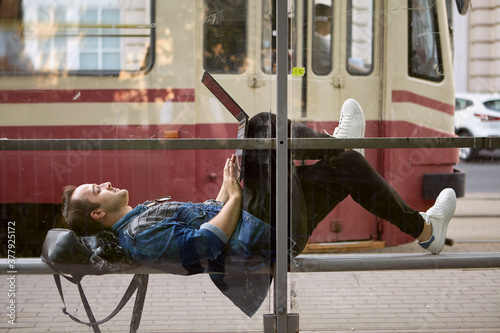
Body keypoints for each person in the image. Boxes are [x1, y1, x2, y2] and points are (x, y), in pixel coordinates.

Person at [61, 99, 457, 316]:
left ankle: (425, 231)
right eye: (97, 189)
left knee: (348, 167)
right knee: (261, 125)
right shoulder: (137, 233)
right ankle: (332, 142)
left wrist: (226, 190)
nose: (106, 183)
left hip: (261, 229)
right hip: (260, 234)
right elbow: (203, 248)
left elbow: (205, 221)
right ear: (98, 214)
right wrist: (234, 197)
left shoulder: (138, 219)